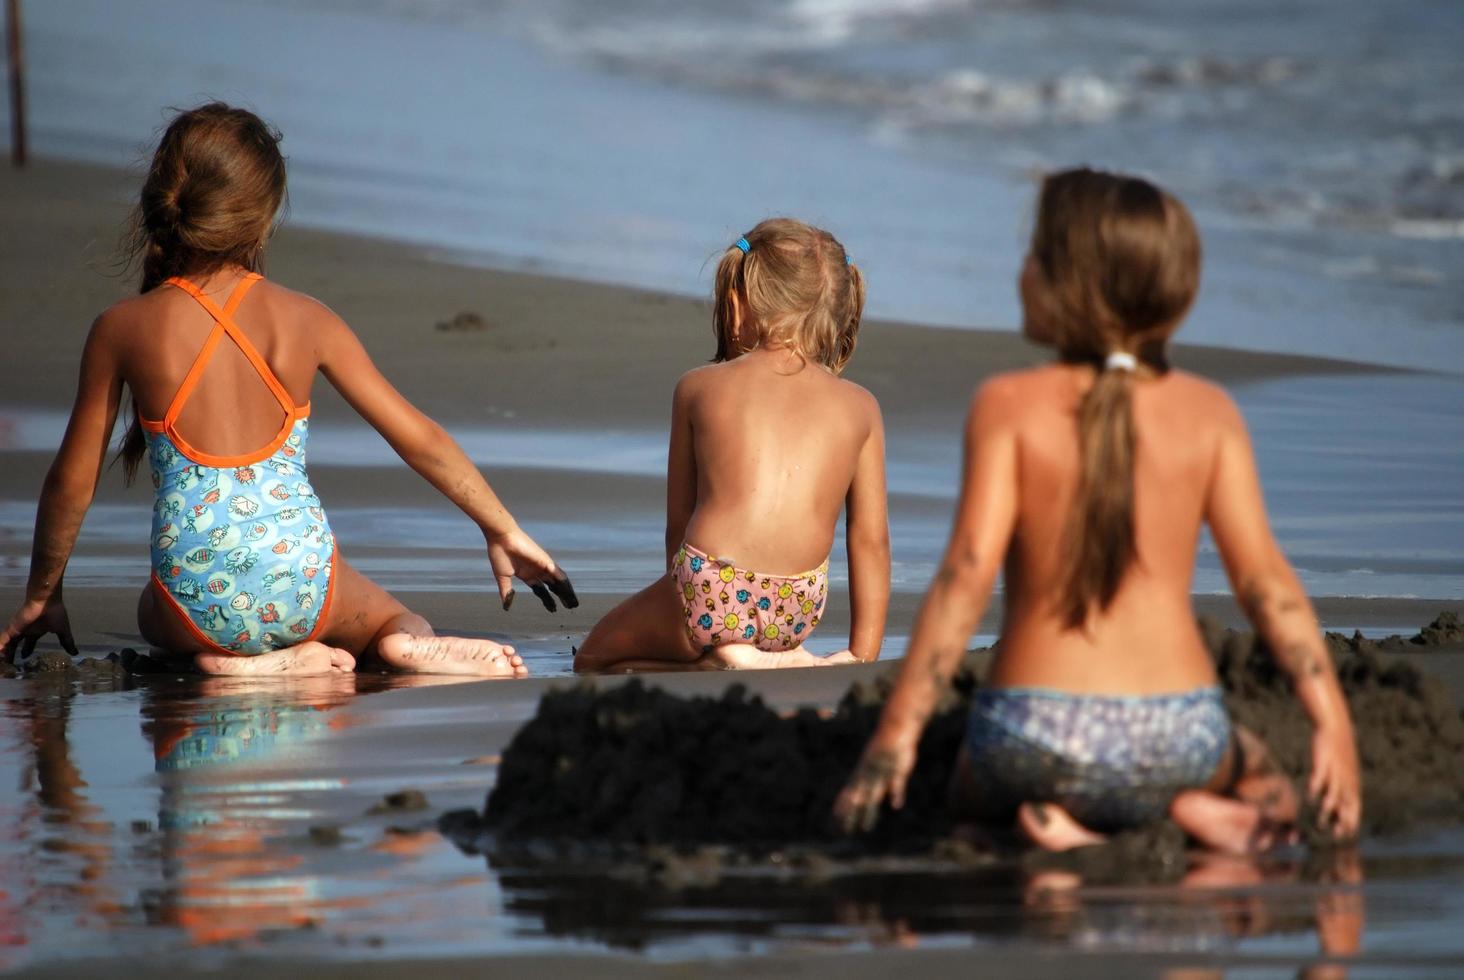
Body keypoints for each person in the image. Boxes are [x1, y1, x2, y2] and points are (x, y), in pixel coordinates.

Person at [835, 168, 1360, 852]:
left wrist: (896, 735)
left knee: (962, 787)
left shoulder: (1007, 405)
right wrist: (1333, 725)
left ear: (1068, 285)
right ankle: (1190, 816)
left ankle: (1049, 828)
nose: (1021, 272)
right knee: (1265, 779)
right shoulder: (1210, 415)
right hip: (1177, 736)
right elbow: (1265, 583)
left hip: (1032, 733)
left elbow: (963, 579)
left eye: (1035, 257)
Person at [0, 103, 577, 677]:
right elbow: (418, 437)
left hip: (193, 600)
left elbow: (70, 480)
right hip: (306, 585)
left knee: (152, 614)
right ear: (264, 215)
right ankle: (402, 644)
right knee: (390, 620)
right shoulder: (307, 320)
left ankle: (228, 665)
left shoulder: (121, 326)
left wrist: (42, 595)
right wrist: (502, 528)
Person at [574, 218, 889, 672]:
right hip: (796, 608)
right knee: (747, 626)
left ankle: (717, 658)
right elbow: (870, 541)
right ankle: (763, 657)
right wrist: (862, 654)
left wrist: (687, 613)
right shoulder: (862, 407)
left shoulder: (697, 387)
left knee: (594, 661)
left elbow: (678, 524)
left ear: (740, 302)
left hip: (709, 585)